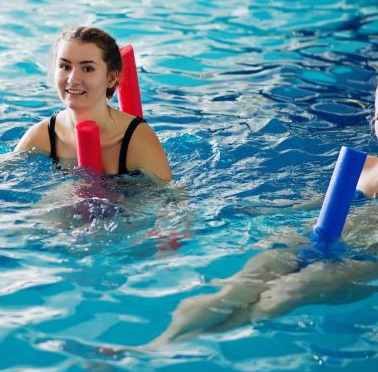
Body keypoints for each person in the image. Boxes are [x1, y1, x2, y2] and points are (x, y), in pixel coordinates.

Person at [142, 91, 378, 347]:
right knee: (237, 288)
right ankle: (158, 343)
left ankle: (174, 347)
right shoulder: (363, 167)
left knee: (282, 295)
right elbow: (326, 200)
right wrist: (273, 208)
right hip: (312, 235)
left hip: (362, 256)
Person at [15, 26, 173, 183]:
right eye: (65, 67)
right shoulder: (43, 135)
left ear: (111, 78)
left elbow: (173, 200)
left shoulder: (137, 139)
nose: (73, 79)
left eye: (87, 68)